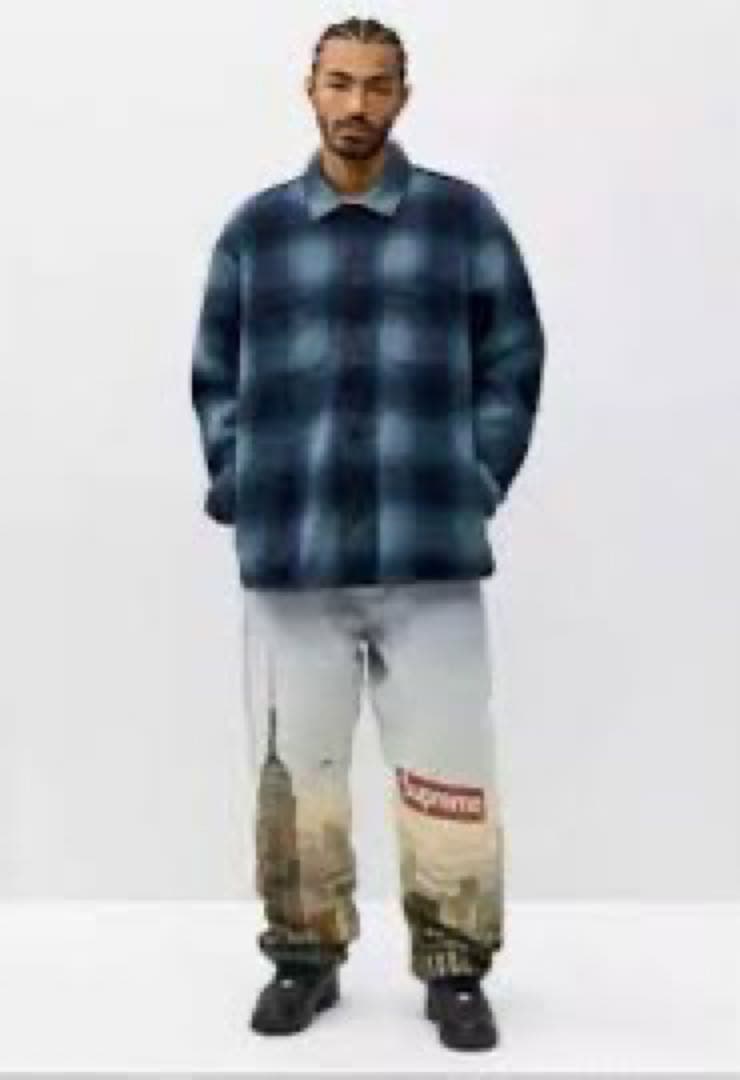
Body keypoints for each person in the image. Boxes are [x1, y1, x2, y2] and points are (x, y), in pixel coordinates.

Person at [190, 15, 546, 1053]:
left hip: (428, 552)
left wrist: (474, 478)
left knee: (448, 770)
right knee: (295, 774)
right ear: (309, 89)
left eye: (376, 85)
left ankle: (455, 967)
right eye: (339, 83)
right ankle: (304, 959)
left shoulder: (461, 221)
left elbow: (513, 358)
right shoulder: (256, 233)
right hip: (292, 555)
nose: (356, 105)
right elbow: (214, 373)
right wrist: (244, 485)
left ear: (403, 96)